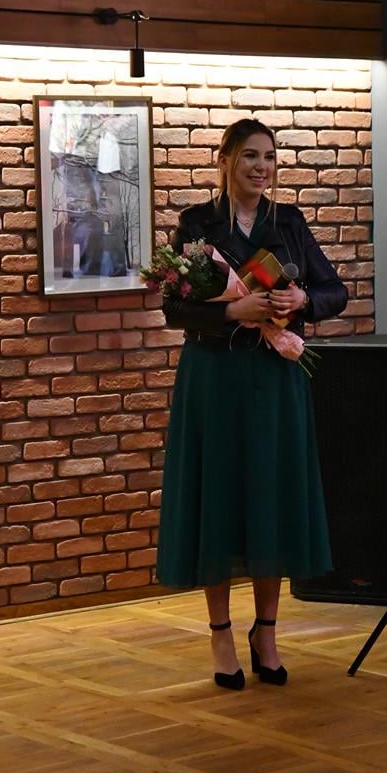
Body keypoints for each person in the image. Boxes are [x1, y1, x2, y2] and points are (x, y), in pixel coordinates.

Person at [156, 118, 348, 690]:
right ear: (225, 160)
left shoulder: (288, 222)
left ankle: (266, 633)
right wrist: (228, 312)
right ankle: (220, 635)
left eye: (269, 157)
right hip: (214, 378)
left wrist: (303, 299)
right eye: (250, 157)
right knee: (217, 496)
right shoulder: (197, 223)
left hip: (274, 378)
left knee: (271, 495)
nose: (261, 167)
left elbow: (335, 292)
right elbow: (172, 309)